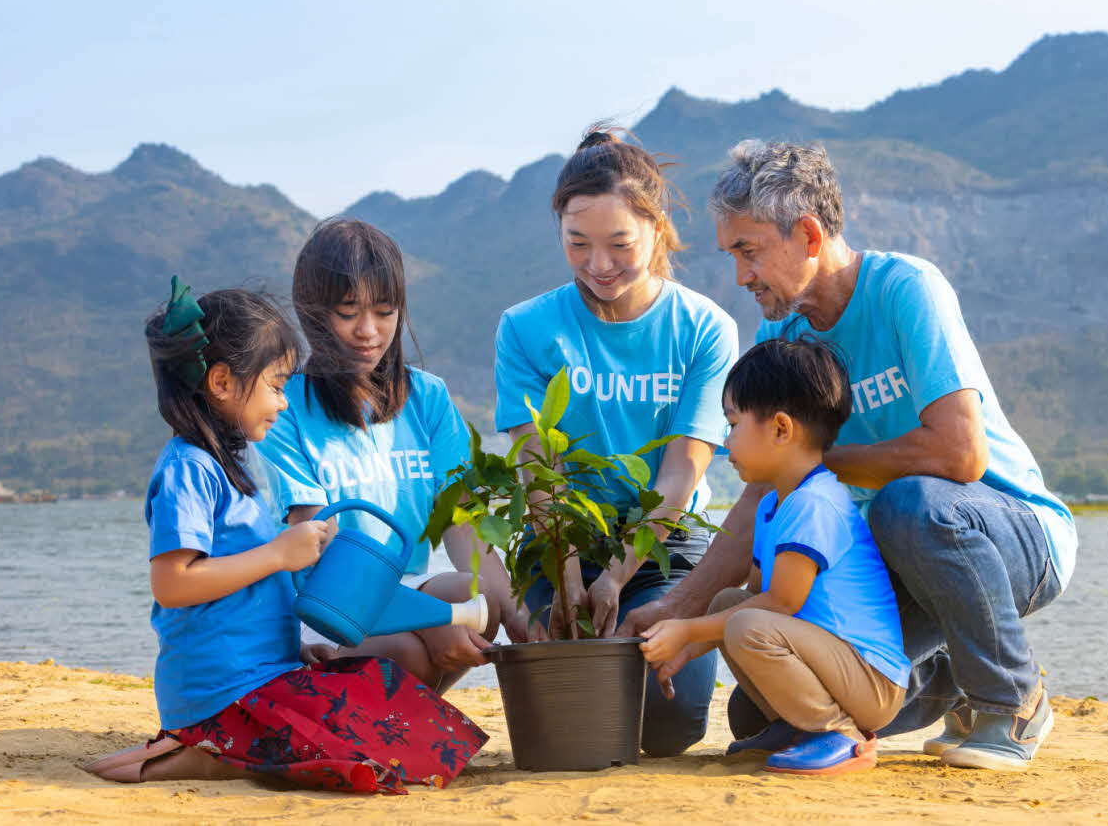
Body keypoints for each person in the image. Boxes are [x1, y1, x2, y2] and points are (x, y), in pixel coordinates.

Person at [620, 140, 1077, 771]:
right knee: (762, 712)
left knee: (908, 502)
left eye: (749, 251)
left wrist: (815, 467)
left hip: (1005, 536)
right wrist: (679, 609)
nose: (741, 276)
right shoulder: (783, 332)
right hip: (895, 559)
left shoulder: (906, 290)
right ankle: (951, 679)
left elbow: (960, 454)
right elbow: (762, 490)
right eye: (733, 256)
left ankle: (1011, 699)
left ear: (808, 235)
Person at [84, 279, 486, 792]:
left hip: (262, 677)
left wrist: (295, 650)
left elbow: (245, 599)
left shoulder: (231, 470)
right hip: (224, 693)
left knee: (405, 716)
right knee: (389, 755)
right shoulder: (188, 468)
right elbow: (173, 584)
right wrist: (277, 554)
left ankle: (221, 749)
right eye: (275, 387)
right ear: (223, 382)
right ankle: (207, 755)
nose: (282, 403)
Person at [494, 127, 739, 756]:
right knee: (569, 710)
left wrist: (616, 576)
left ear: (657, 229)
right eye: (578, 243)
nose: (599, 265)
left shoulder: (704, 328)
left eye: (620, 244)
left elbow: (680, 475)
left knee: (668, 723)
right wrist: (568, 569)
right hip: (562, 536)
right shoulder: (525, 328)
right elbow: (537, 467)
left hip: (663, 546)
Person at [256, 219, 528, 694]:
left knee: (477, 596)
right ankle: (390, 715)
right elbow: (321, 546)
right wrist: (432, 618)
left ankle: (399, 715)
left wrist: (519, 618)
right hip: (328, 610)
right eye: (348, 313)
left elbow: (462, 523)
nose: (369, 332)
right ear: (314, 313)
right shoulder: (283, 404)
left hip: (401, 596)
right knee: (405, 649)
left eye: (385, 312)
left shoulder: (428, 397)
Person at [640, 338, 910, 775]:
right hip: (833, 666)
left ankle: (838, 733)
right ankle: (796, 726)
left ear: (781, 429)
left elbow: (781, 603)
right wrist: (688, 648)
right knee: (730, 603)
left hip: (870, 681)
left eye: (733, 424)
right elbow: (752, 598)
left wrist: (687, 628)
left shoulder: (814, 503)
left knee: (746, 622)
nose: (726, 441)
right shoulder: (773, 506)